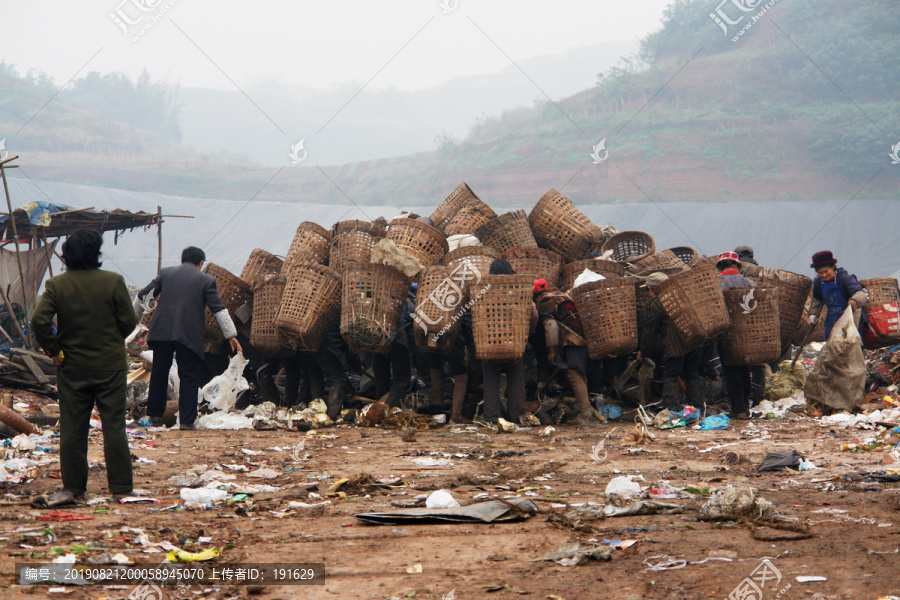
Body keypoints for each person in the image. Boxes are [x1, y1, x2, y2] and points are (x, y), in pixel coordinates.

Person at [32, 229, 138, 499]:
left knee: (73, 428)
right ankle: (121, 488)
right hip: (111, 367)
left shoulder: (57, 285)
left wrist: (55, 351)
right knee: (114, 426)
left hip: (72, 368)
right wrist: (112, 341)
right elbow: (129, 323)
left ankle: (74, 488)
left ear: (67, 256)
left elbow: (39, 321)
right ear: (96, 254)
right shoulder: (114, 281)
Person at [137, 246, 242, 430]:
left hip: (162, 332)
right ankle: (186, 421)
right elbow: (219, 309)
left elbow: (144, 297)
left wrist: (133, 321)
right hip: (188, 334)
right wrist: (231, 335)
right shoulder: (206, 280)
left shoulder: (166, 274)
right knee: (189, 376)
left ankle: (154, 417)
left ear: (182, 260)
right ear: (200, 263)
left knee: (159, 373)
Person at [533, 278, 596, 426]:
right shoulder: (560, 295)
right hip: (585, 335)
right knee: (580, 371)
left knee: (573, 373)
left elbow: (551, 326)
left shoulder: (544, 302)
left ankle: (585, 413)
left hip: (572, 338)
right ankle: (583, 408)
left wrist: (552, 351)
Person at [639, 272, 703, 409]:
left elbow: (650, 332)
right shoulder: (681, 296)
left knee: (671, 375)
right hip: (695, 341)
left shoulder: (655, 303)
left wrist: (644, 352)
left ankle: (672, 409)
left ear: (650, 288)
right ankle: (697, 408)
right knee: (691, 373)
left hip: (675, 345)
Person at [480, 260, 533, 424]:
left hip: (490, 341)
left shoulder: (483, 291)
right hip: (514, 341)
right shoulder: (518, 288)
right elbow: (535, 314)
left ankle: (491, 417)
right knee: (516, 377)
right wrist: (528, 333)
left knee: (490, 378)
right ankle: (516, 415)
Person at [716, 251, 756, 419]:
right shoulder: (749, 283)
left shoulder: (716, 283)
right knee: (744, 370)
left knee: (730, 370)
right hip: (747, 333)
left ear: (720, 267)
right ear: (737, 265)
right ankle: (745, 407)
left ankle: (738, 409)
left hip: (726, 333)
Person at [807, 250, 868, 340]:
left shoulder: (845, 279)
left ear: (833, 267)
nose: (823, 275)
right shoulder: (819, 283)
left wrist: (854, 300)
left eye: (826, 271)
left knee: (851, 346)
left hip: (850, 321)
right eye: (820, 272)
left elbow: (860, 294)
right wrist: (812, 314)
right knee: (833, 347)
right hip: (832, 321)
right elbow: (817, 299)